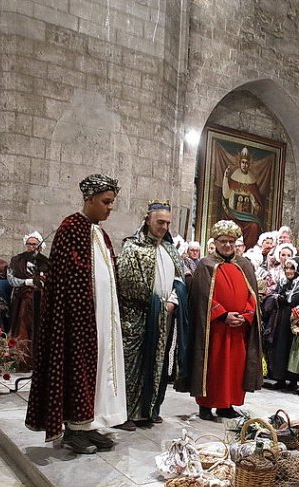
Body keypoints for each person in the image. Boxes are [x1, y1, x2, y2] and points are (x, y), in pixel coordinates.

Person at [25, 174, 127, 454]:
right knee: (78, 368)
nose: (110, 208)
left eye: (112, 203)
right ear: (89, 199)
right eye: (106, 202)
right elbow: (66, 278)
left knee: (98, 369)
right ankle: (73, 429)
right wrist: (78, 313)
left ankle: (89, 424)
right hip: (78, 317)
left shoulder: (100, 233)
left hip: (102, 317)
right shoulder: (71, 228)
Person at [177, 219, 262, 420]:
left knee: (235, 368)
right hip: (213, 329)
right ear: (215, 242)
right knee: (212, 367)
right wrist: (223, 315)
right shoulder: (206, 265)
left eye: (231, 242)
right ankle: (206, 405)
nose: (227, 245)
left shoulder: (245, 265)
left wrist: (246, 315)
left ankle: (227, 404)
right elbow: (201, 298)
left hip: (238, 329)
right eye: (223, 241)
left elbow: (253, 296)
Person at [115, 200, 189, 430]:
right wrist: (156, 302)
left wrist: (173, 301)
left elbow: (180, 279)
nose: (164, 227)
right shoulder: (132, 247)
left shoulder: (169, 249)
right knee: (132, 365)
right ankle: (125, 413)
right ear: (147, 220)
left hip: (164, 316)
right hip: (136, 317)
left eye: (168, 223)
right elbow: (127, 282)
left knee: (158, 363)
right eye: (160, 222)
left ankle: (149, 409)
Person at [264, 257, 299, 391]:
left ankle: (293, 381)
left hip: (296, 322)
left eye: (292, 268)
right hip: (281, 320)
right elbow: (276, 295)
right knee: (280, 349)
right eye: (287, 268)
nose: (288, 271)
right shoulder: (283, 282)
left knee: (292, 350)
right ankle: (280, 379)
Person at [7, 231, 49, 371]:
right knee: (22, 329)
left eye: (34, 244)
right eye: (29, 244)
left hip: (41, 299)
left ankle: (39, 362)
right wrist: (28, 282)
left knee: (39, 329)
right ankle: (22, 361)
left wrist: (42, 282)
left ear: (40, 246)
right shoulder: (16, 260)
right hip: (22, 298)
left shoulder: (46, 262)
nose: (31, 247)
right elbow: (11, 279)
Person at [221, 147, 266, 250]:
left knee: (254, 226)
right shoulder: (234, 176)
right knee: (235, 228)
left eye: (246, 163)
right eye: (243, 162)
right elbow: (227, 195)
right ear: (240, 163)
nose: (245, 165)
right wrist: (225, 178)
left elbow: (256, 199)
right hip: (235, 215)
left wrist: (256, 206)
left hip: (248, 217)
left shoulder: (252, 179)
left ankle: (249, 250)